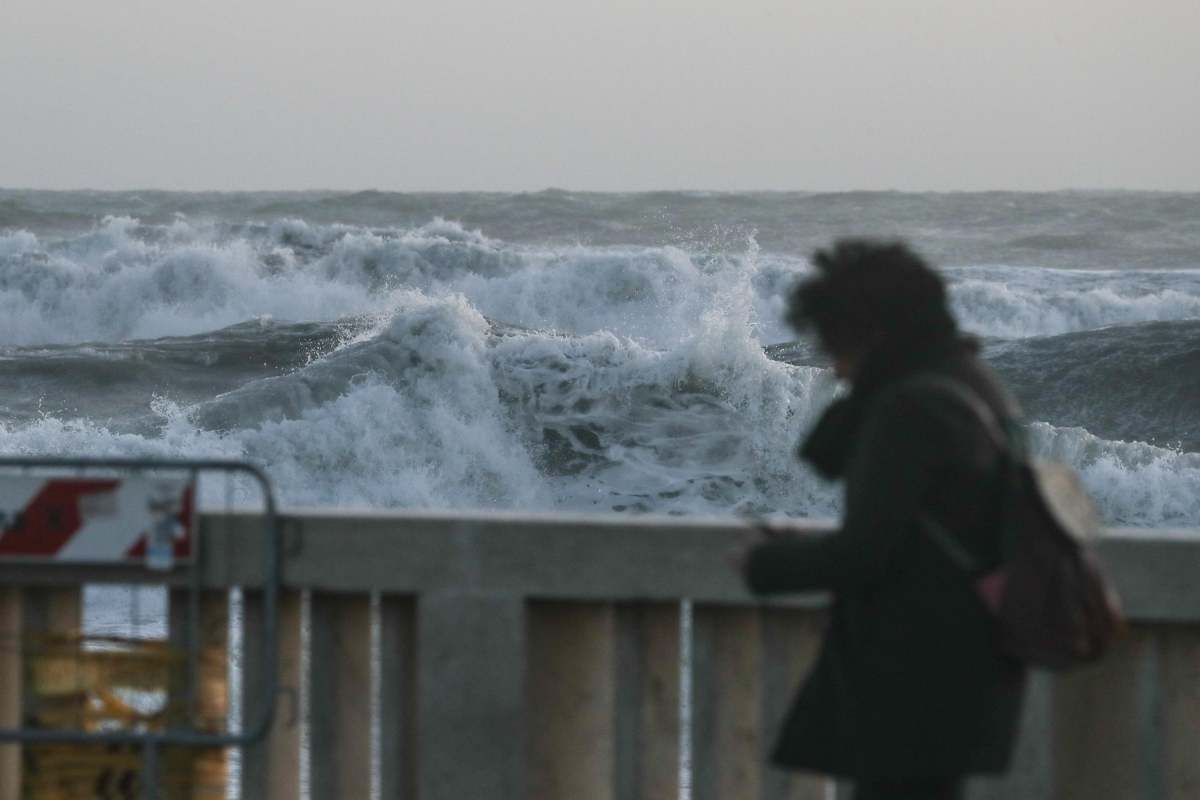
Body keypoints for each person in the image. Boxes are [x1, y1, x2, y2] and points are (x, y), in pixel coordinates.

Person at [737, 240, 1026, 800]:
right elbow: (924, 529)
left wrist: (764, 564)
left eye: (834, 341)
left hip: (911, 679)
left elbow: (866, 555)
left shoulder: (909, 409)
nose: (834, 364)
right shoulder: (976, 384)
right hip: (969, 665)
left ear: (870, 333)